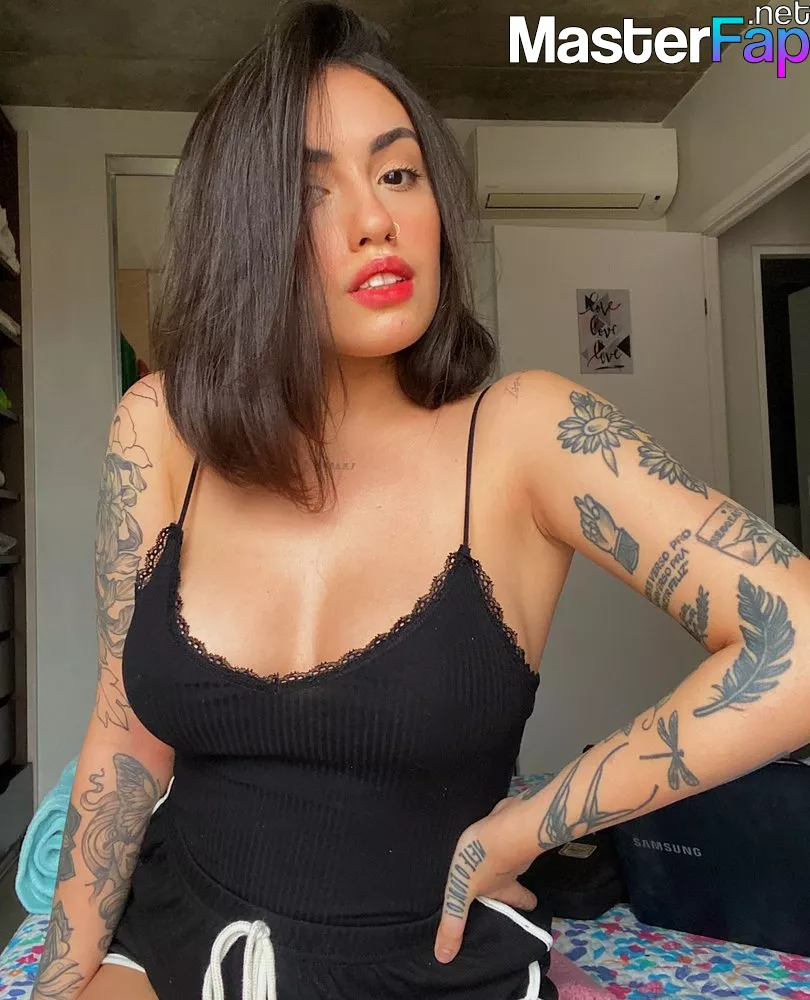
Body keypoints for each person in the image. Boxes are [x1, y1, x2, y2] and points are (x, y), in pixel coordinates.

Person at [33, 3, 810, 999]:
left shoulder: (527, 434)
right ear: (244, 234)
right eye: (311, 191)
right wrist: (61, 980)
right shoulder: (160, 426)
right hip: (174, 937)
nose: (376, 219)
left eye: (398, 174)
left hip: (428, 969)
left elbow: (795, 639)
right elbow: (123, 733)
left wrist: (530, 824)